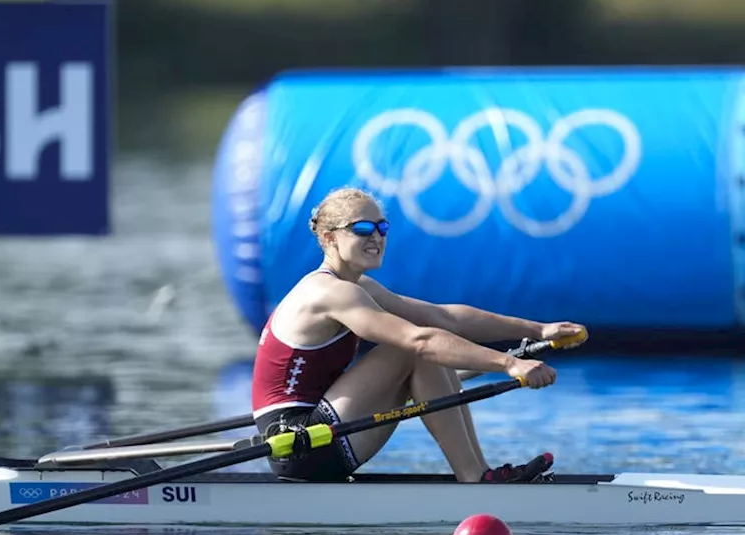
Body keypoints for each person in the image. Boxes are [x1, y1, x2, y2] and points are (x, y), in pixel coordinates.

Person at [250, 187, 587, 483]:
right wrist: (508, 363)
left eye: (382, 227)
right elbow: (419, 341)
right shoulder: (330, 292)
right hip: (299, 442)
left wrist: (538, 329)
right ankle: (474, 477)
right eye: (363, 228)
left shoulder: (358, 287)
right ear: (329, 238)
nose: (376, 237)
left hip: (323, 431)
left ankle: (477, 472)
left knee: (429, 344)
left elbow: (442, 316)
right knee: (415, 348)